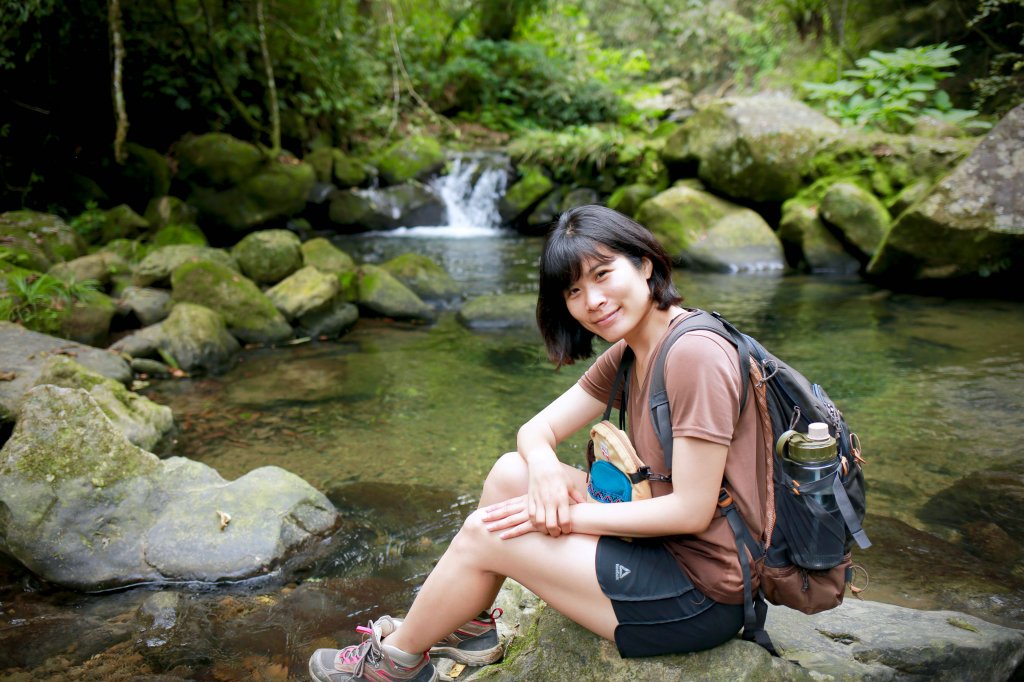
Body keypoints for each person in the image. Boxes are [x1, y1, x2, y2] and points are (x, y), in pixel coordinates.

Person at [308, 205, 768, 682]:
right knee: (514, 471)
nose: (592, 300)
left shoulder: (693, 354)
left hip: (701, 593)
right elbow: (534, 431)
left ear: (645, 265)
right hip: (665, 550)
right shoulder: (634, 349)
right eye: (573, 290)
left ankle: (392, 666)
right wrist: (545, 468)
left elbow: (690, 511)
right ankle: (469, 625)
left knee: (486, 532)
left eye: (603, 274)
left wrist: (557, 515)